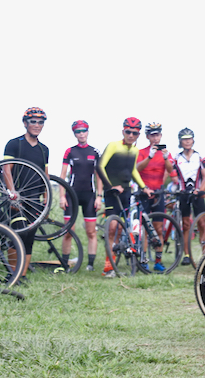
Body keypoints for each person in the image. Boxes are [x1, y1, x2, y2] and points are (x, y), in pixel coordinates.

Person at [97, 117, 153, 277]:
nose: (131, 135)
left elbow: (133, 171)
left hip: (126, 191)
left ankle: (114, 261)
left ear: (138, 135)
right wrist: (110, 187)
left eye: (134, 133)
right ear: (123, 131)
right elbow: (100, 166)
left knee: (121, 228)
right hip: (112, 192)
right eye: (128, 132)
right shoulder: (113, 145)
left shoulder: (135, 151)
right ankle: (108, 264)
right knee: (112, 226)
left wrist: (144, 187)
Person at [3, 107, 51, 281]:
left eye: (40, 122)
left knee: (30, 236)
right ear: (25, 123)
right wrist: (12, 193)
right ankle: (12, 273)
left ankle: (21, 275)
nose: (37, 125)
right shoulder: (15, 144)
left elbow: (45, 175)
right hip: (16, 198)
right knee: (17, 233)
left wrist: (47, 199)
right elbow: (6, 169)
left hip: (35, 199)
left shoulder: (44, 149)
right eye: (33, 121)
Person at [59, 120, 103, 271]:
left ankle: (90, 264)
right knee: (68, 231)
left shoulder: (95, 152)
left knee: (91, 231)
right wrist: (62, 196)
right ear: (74, 134)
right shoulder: (70, 151)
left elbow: (99, 176)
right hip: (72, 194)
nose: (81, 134)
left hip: (89, 195)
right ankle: (65, 263)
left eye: (84, 131)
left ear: (88, 132)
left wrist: (99, 196)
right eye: (78, 131)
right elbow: (63, 175)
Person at [136, 122, 175, 272]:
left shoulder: (166, 153)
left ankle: (158, 260)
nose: (155, 138)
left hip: (158, 193)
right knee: (145, 228)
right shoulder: (142, 152)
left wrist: (165, 158)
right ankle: (144, 259)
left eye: (157, 134)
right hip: (144, 193)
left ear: (161, 136)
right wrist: (150, 156)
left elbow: (171, 170)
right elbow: (138, 168)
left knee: (159, 228)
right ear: (147, 136)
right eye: (152, 135)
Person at [173, 128, 205, 266]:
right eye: (184, 139)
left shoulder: (200, 156)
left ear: (193, 140)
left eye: (189, 138)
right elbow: (172, 173)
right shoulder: (176, 157)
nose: (187, 141)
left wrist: (201, 189)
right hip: (183, 194)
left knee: (202, 223)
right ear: (180, 141)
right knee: (186, 225)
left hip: (197, 194)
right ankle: (187, 254)